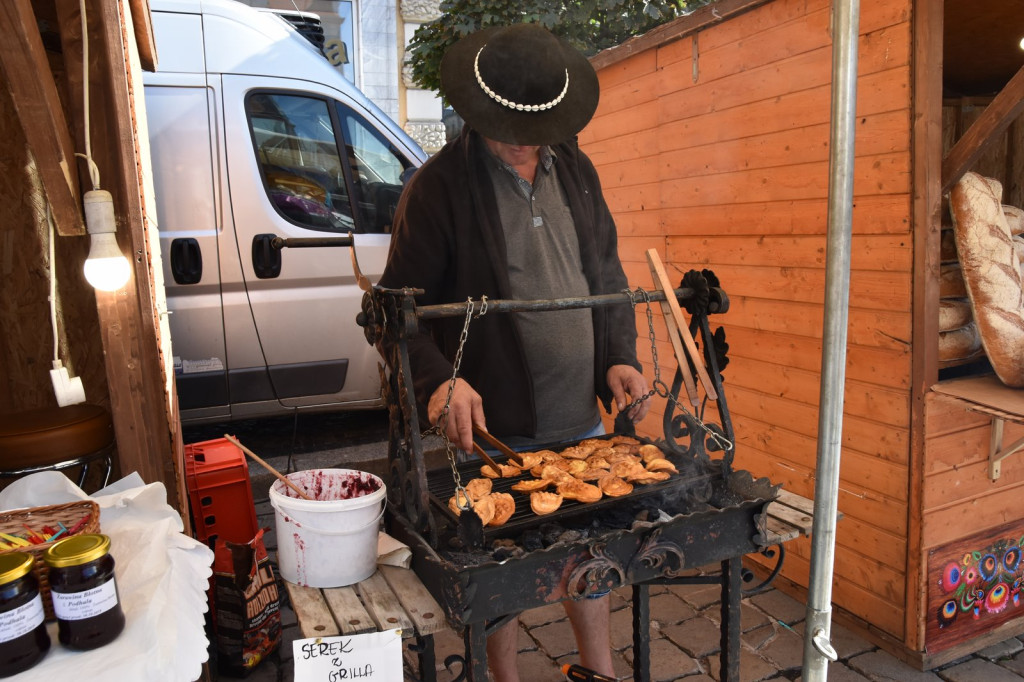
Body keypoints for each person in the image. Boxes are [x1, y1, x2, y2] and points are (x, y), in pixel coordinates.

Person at [378, 22, 650, 681]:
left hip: (579, 424)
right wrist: (441, 382)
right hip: (493, 431)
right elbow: (393, 314)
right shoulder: (440, 188)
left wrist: (619, 352)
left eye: (536, 126)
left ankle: (599, 674)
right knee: (504, 581)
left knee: (591, 561)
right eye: (508, 125)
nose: (525, 142)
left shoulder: (577, 170)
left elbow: (606, 276)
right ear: (479, 113)